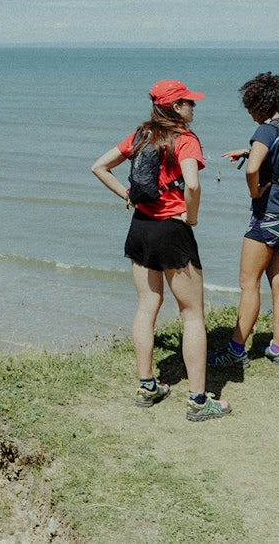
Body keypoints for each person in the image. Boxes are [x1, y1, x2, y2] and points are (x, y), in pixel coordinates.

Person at [92, 79, 230, 422]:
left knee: (147, 305)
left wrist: (127, 195)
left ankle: (147, 386)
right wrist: (191, 217)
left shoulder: (141, 135)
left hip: (140, 228)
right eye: (188, 102)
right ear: (173, 107)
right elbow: (193, 183)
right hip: (172, 230)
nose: (193, 107)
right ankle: (198, 401)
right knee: (193, 314)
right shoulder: (185, 140)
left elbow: (99, 166)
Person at [209, 73, 279, 371]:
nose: (249, 112)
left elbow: (253, 170)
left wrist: (255, 190)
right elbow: (274, 158)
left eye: (250, 105)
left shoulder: (265, 129)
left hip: (269, 217)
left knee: (248, 284)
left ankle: (236, 351)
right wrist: (249, 150)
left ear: (259, 102)